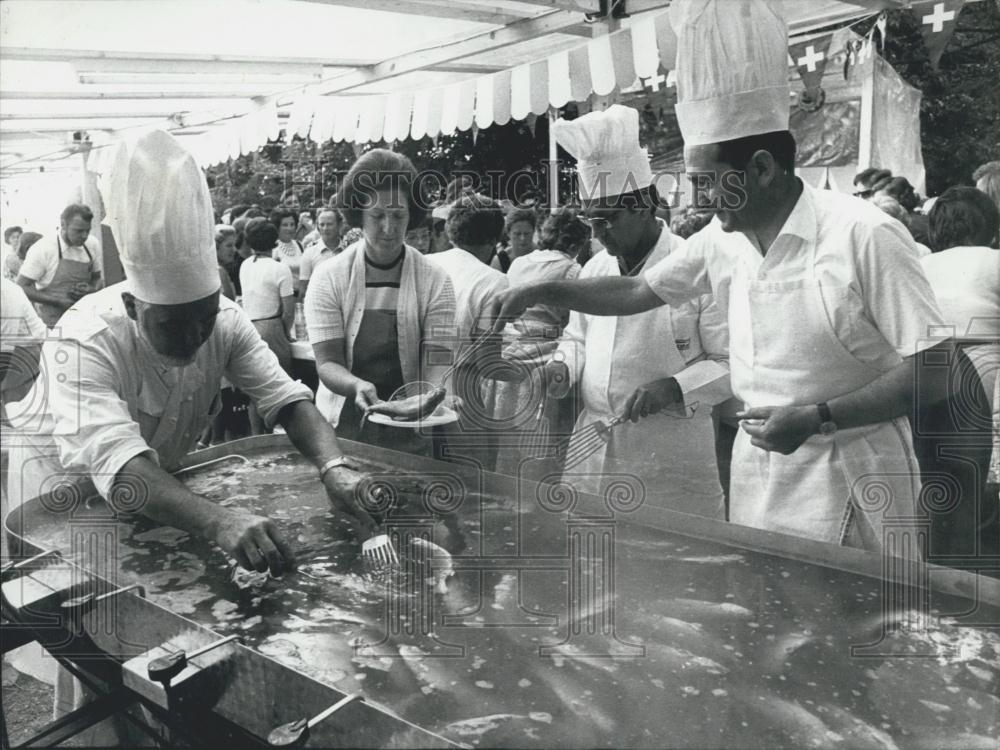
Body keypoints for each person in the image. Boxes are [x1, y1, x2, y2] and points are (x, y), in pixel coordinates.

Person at [494, 0, 951, 550]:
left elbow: (936, 369)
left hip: (854, 472)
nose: (700, 201)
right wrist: (542, 289)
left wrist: (819, 416)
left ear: (761, 168)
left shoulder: (864, 234)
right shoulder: (721, 239)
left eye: (708, 183)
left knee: (854, 627)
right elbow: (639, 289)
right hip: (761, 476)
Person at [542, 106, 731, 516]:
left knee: (668, 565)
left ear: (645, 205)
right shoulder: (596, 267)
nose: (597, 234)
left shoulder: (693, 266)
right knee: (591, 562)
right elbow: (577, 337)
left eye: (607, 219)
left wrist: (675, 388)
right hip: (593, 449)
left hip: (669, 456)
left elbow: (729, 363)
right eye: (591, 221)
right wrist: (562, 367)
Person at [305, 148, 456, 456]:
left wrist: (432, 394)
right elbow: (328, 363)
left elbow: (437, 358)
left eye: (398, 215)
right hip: (343, 424)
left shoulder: (435, 279)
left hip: (410, 425)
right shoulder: (329, 277)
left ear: (411, 214)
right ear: (359, 214)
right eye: (377, 216)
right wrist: (356, 385)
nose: (389, 228)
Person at [920, 186, 1000, 559]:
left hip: (925, 367)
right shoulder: (993, 261)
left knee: (932, 473)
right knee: (974, 477)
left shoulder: (921, 265)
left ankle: (938, 553)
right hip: (984, 363)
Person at [493, 208, 588, 478]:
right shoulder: (572, 269)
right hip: (544, 353)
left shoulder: (520, 262)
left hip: (511, 350)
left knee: (510, 432)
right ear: (575, 244)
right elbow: (575, 321)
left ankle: (508, 488)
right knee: (542, 435)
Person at [427, 194, 510, 469]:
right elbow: (488, 362)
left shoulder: (425, 264)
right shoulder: (494, 281)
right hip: (464, 387)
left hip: (416, 381)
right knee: (470, 481)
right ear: (494, 239)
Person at [16, 204, 102, 327]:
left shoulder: (92, 244)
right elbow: (21, 286)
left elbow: (97, 278)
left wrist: (92, 289)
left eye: (87, 230)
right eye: (78, 231)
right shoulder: (43, 248)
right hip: (52, 322)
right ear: (63, 225)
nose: (84, 236)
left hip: (84, 318)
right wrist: (57, 301)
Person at [299, 207, 342, 298]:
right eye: (322, 224)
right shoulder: (309, 253)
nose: (325, 228)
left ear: (339, 225)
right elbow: (303, 288)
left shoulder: (348, 250)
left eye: (330, 224)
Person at [492, 208, 537, 273]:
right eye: (517, 234)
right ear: (508, 233)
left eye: (527, 233)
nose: (523, 238)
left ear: (533, 231)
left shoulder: (544, 254)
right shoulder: (500, 261)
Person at [270, 208, 304, 289]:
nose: (289, 228)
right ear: (277, 226)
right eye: (285, 225)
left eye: (292, 224)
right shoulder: (273, 247)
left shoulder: (299, 245)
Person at [214, 224, 237, 301]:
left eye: (234, 245)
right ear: (216, 247)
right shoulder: (220, 271)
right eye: (229, 245)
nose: (234, 250)